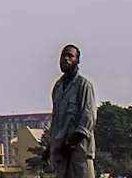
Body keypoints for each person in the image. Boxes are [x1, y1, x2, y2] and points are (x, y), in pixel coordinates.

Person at [47, 44, 97, 178]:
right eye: (63, 56)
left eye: (70, 56)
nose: (65, 59)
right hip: (61, 155)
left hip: (80, 153)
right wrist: (50, 147)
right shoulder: (57, 87)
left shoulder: (84, 85)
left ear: (77, 60)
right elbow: (56, 120)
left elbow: (88, 117)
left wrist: (72, 143)